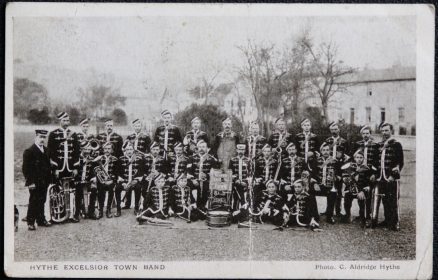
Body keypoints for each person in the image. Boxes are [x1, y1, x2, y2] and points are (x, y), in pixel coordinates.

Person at [375, 122, 404, 231]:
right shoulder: (379, 145)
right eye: (382, 131)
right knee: (385, 199)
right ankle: (387, 220)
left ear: (391, 131)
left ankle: (395, 223)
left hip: (391, 177)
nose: (384, 133)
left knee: (393, 200)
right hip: (381, 177)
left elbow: (400, 162)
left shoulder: (396, 145)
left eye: (386, 130)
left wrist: (393, 175)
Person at [22, 130, 52, 230]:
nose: (42, 139)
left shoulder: (47, 150)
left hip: (44, 181)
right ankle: (30, 221)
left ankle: (41, 220)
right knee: (34, 200)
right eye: (40, 137)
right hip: (34, 181)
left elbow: (48, 165)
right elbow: (25, 169)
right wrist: (30, 182)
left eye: (44, 137)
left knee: (42, 200)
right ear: (36, 137)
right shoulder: (29, 151)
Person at [341, 150, 374, 228]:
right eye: (357, 157)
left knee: (362, 201)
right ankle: (347, 215)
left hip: (362, 190)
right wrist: (346, 180)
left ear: (363, 158)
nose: (359, 159)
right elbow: (345, 179)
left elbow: (369, 183)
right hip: (352, 189)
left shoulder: (367, 168)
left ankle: (364, 218)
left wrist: (362, 191)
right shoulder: (351, 167)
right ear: (354, 158)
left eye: (361, 157)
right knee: (347, 198)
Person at [324, 121, 350, 217]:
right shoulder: (327, 141)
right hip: (329, 166)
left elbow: (347, 156)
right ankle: (328, 209)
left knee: (338, 189)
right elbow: (324, 152)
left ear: (339, 130)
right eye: (332, 129)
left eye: (335, 129)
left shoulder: (344, 141)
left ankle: (338, 210)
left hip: (339, 167)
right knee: (329, 188)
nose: (334, 131)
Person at [187, 140, 218, 217]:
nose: (201, 149)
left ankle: (204, 207)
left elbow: (215, 172)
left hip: (207, 181)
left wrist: (207, 175)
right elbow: (188, 171)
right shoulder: (191, 158)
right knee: (188, 185)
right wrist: (193, 179)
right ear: (197, 148)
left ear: (207, 148)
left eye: (203, 147)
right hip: (195, 180)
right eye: (200, 147)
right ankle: (194, 206)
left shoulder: (212, 159)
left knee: (207, 187)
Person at [312, 142, 340, 224]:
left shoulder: (335, 161)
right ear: (321, 151)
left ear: (330, 151)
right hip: (319, 185)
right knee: (310, 193)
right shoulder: (316, 161)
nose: (325, 152)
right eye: (323, 150)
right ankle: (314, 215)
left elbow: (339, 175)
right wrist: (315, 184)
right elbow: (313, 174)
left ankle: (329, 216)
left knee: (332, 194)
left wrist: (334, 178)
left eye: (327, 150)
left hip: (330, 185)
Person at [48, 112, 80, 179]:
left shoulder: (73, 134)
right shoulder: (53, 134)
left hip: (70, 166)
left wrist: (75, 167)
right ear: (60, 121)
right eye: (64, 120)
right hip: (58, 167)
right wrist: (55, 168)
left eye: (68, 121)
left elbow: (77, 152)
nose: (66, 123)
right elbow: (51, 152)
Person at [91, 142, 120, 219]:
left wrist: (111, 179)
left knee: (111, 189)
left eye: (109, 149)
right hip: (101, 181)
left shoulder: (115, 159)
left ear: (112, 150)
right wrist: (99, 179)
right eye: (105, 149)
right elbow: (95, 170)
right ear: (103, 150)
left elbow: (116, 172)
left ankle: (108, 210)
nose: (107, 150)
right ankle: (100, 210)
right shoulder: (99, 158)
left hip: (110, 180)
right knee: (100, 191)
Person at [117, 141, 146, 215]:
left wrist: (136, 180)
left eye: (130, 149)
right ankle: (118, 209)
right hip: (124, 181)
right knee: (117, 188)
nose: (129, 151)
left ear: (133, 150)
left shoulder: (139, 159)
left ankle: (136, 208)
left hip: (135, 181)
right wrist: (123, 182)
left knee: (138, 187)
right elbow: (118, 172)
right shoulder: (120, 159)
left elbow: (141, 172)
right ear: (125, 150)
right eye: (127, 149)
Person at [74, 141, 96, 221]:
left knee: (94, 190)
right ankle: (76, 213)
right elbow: (74, 170)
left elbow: (94, 171)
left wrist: (93, 178)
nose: (87, 151)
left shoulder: (92, 159)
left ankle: (91, 212)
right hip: (78, 181)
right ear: (81, 149)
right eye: (85, 149)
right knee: (78, 193)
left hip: (87, 182)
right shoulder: (76, 158)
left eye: (89, 149)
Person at [142, 142, 168, 210]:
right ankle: (145, 205)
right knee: (144, 188)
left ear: (159, 150)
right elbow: (142, 170)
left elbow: (165, 171)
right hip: (147, 178)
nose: (155, 151)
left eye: (157, 150)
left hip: (158, 179)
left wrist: (158, 174)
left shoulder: (162, 159)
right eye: (154, 149)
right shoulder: (145, 158)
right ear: (151, 150)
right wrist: (146, 177)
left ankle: (155, 205)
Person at [228, 144, 251, 211]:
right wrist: (235, 180)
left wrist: (246, 182)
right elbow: (230, 172)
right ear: (237, 150)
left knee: (244, 199)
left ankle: (243, 213)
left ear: (245, 150)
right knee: (235, 198)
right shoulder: (232, 160)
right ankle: (234, 212)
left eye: (242, 150)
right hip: (236, 183)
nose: (241, 151)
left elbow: (250, 173)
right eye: (239, 149)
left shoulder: (248, 160)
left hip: (245, 183)